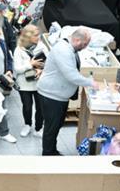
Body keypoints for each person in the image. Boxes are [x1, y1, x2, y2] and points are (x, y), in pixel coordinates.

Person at [37, 28, 98, 156]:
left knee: (56, 126)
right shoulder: (63, 50)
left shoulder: (69, 48)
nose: (85, 47)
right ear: (77, 40)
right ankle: (48, 155)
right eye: (84, 44)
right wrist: (90, 83)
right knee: (51, 128)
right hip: (52, 96)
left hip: (58, 95)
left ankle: (52, 150)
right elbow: (71, 75)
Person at [13, 25, 45, 138]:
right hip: (24, 84)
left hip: (38, 83)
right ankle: (27, 124)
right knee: (27, 106)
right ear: (28, 36)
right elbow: (17, 69)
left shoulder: (42, 47)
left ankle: (38, 128)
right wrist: (30, 64)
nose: (38, 37)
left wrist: (41, 70)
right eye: (35, 35)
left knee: (40, 107)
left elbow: (48, 63)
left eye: (38, 34)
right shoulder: (19, 50)